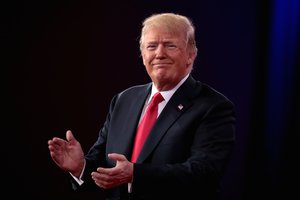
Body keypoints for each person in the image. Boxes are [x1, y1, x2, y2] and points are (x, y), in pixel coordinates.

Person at [48, 12, 236, 200]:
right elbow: (104, 170)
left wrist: (136, 174)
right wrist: (80, 167)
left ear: (191, 55)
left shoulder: (213, 107)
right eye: (152, 46)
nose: (159, 54)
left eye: (170, 45)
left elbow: (203, 173)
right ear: (143, 55)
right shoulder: (123, 100)